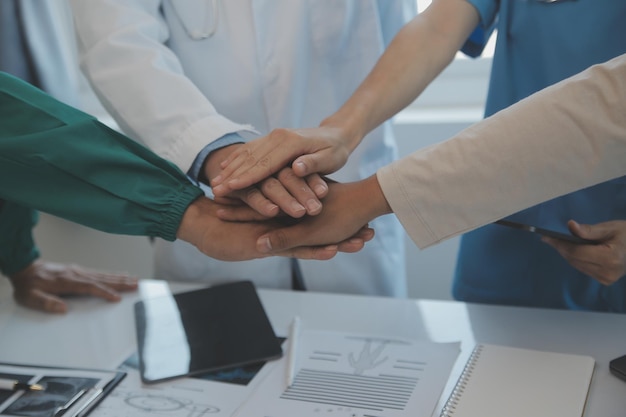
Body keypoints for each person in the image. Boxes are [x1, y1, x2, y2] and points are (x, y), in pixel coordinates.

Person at [213, 0, 626, 311]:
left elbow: (604, 108)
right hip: (508, 245)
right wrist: (342, 128)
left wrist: (364, 199)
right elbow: (436, 27)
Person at [69, 0, 415, 296]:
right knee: (219, 364)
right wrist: (220, 152)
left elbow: (408, 39)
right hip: (214, 197)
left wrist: (344, 131)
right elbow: (117, 45)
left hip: (347, 188)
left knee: (362, 365)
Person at [0, 71, 370, 313]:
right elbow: (119, 49)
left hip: (340, 183)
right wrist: (195, 204)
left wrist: (16, 257)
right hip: (217, 193)